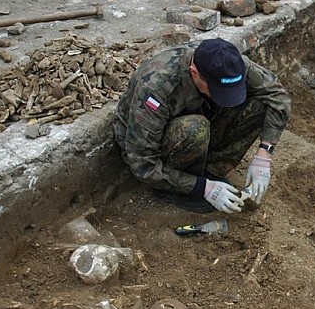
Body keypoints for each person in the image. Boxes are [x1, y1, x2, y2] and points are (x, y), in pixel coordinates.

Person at [113, 38, 291, 214]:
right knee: (195, 129)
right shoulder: (157, 87)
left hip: (202, 115)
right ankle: (179, 185)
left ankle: (211, 170)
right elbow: (142, 164)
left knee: (260, 104)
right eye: (217, 91)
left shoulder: (230, 66)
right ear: (194, 73)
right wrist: (203, 188)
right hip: (150, 143)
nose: (225, 96)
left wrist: (264, 154)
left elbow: (277, 96)